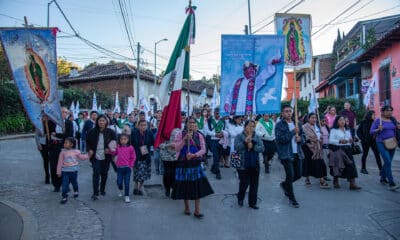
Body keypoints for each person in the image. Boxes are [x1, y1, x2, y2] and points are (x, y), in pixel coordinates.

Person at [172, 117, 214, 218]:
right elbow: (176, 148)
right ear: (186, 124)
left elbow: (203, 150)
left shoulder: (199, 135)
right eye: (189, 122)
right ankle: (186, 207)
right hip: (183, 164)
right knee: (185, 186)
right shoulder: (179, 134)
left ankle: (197, 210)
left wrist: (194, 155)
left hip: (195, 164)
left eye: (193, 122)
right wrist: (184, 140)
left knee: (197, 186)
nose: (191, 124)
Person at [275, 105, 304, 208]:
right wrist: (292, 132)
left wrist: (300, 139)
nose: (289, 113)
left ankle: (284, 184)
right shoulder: (279, 125)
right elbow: (280, 139)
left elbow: (303, 137)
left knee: (299, 174)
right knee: (290, 175)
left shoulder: (298, 123)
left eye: (290, 111)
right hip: (286, 154)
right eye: (286, 111)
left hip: (298, 153)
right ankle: (292, 199)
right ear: (282, 113)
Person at [234, 120, 264, 209]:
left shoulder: (257, 137)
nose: (251, 128)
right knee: (244, 183)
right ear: (245, 127)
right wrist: (245, 143)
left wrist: (253, 146)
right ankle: (240, 198)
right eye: (249, 126)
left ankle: (252, 203)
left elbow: (262, 148)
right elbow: (237, 147)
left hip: (254, 164)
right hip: (243, 164)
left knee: (254, 184)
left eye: (253, 126)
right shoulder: (239, 136)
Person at [86, 114, 117, 200]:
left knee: (104, 174)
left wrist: (109, 149)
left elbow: (114, 143)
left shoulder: (111, 132)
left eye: (103, 120)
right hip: (95, 156)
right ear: (97, 122)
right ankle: (95, 193)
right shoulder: (91, 132)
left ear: (106, 122)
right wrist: (89, 150)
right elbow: (87, 142)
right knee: (96, 173)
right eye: (100, 120)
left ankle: (102, 189)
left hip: (106, 157)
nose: (101, 122)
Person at [370, 105, 400, 190]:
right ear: (383, 112)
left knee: (388, 162)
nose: (389, 112)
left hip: (392, 142)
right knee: (388, 161)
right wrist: (378, 129)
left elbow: (395, 130)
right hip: (381, 143)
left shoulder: (393, 120)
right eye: (387, 110)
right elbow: (371, 131)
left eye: (391, 110)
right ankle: (392, 183)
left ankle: (383, 178)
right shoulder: (378, 121)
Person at [329, 115, 361, 190]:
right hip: (338, 149)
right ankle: (335, 180)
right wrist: (339, 141)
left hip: (347, 150)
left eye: (343, 120)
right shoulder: (334, 130)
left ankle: (352, 183)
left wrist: (350, 141)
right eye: (340, 120)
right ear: (337, 121)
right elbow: (331, 141)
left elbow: (349, 139)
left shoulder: (347, 129)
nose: (342, 121)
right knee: (338, 166)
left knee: (351, 165)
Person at [56, 137, 89, 204]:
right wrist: (58, 171)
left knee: (74, 183)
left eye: (66, 143)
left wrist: (89, 155)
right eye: (64, 142)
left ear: (71, 144)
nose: (64, 144)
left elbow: (82, 157)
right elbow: (60, 162)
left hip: (74, 171)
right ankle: (64, 196)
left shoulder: (76, 151)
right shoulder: (62, 152)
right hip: (65, 171)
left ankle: (76, 191)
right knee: (65, 184)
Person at [48, 107, 74, 192]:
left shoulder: (69, 123)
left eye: (66, 112)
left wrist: (57, 135)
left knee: (66, 166)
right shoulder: (52, 121)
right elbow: (48, 132)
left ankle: (65, 184)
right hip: (54, 147)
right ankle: (56, 185)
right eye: (62, 112)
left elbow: (68, 135)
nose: (64, 114)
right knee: (54, 166)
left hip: (65, 147)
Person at [302, 113, 330, 189]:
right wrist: (313, 139)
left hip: (317, 148)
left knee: (320, 163)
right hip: (308, 148)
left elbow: (319, 136)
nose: (314, 119)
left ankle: (322, 179)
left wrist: (320, 137)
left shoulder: (317, 126)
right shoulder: (304, 127)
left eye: (315, 118)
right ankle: (308, 179)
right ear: (308, 119)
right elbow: (306, 137)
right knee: (308, 163)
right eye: (312, 118)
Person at [131, 119, 154, 195]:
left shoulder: (149, 133)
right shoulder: (134, 133)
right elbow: (131, 144)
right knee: (136, 172)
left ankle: (140, 187)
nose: (143, 127)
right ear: (138, 125)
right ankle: (135, 186)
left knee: (143, 173)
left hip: (145, 155)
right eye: (141, 125)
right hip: (136, 155)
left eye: (145, 125)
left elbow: (153, 142)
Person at [112, 133, 136, 203]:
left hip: (127, 168)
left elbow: (133, 157)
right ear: (119, 140)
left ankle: (127, 196)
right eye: (121, 139)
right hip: (119, 168)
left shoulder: (131, 147)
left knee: (127, 182)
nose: (123, 140)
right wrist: (112, 150)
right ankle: (120, 188)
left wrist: (130, 165)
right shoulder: (118, 147)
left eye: (125, 139)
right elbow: (114, 153)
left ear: (128, 140)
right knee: (119, 182)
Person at [204, 108, 225, 179]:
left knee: (219, 156)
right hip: (212, 140)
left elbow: (225, 129)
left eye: (219, 113)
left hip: (221, 140)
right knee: (215, 156)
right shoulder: (209, 120)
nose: (218, 115)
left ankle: (213, 168)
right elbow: (206, 130)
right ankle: (217, 172)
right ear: (214, 113)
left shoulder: (223, 120)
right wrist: (214, 134)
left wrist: (223, 133)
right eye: (216, 113)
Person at [159, 128, 180, 197]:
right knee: (167, 174)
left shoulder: (179, 130)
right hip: (166, 156)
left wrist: (177, 145)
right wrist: (168, 145)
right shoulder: (163, 130)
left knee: (175, 173)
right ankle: (167, 188)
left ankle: (174, 188)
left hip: (176, 156)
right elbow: (159, 144)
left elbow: (182, 142)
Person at [35, 119, 50, 184]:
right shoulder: (39, 124)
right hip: (43, 144)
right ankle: (47, 176)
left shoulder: (51, 122)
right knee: (46, 160)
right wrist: (38, 144)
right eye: (43, 116)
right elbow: (36, 135)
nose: (45, 117)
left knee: (52, 161)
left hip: (51, 144)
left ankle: (54, 176)